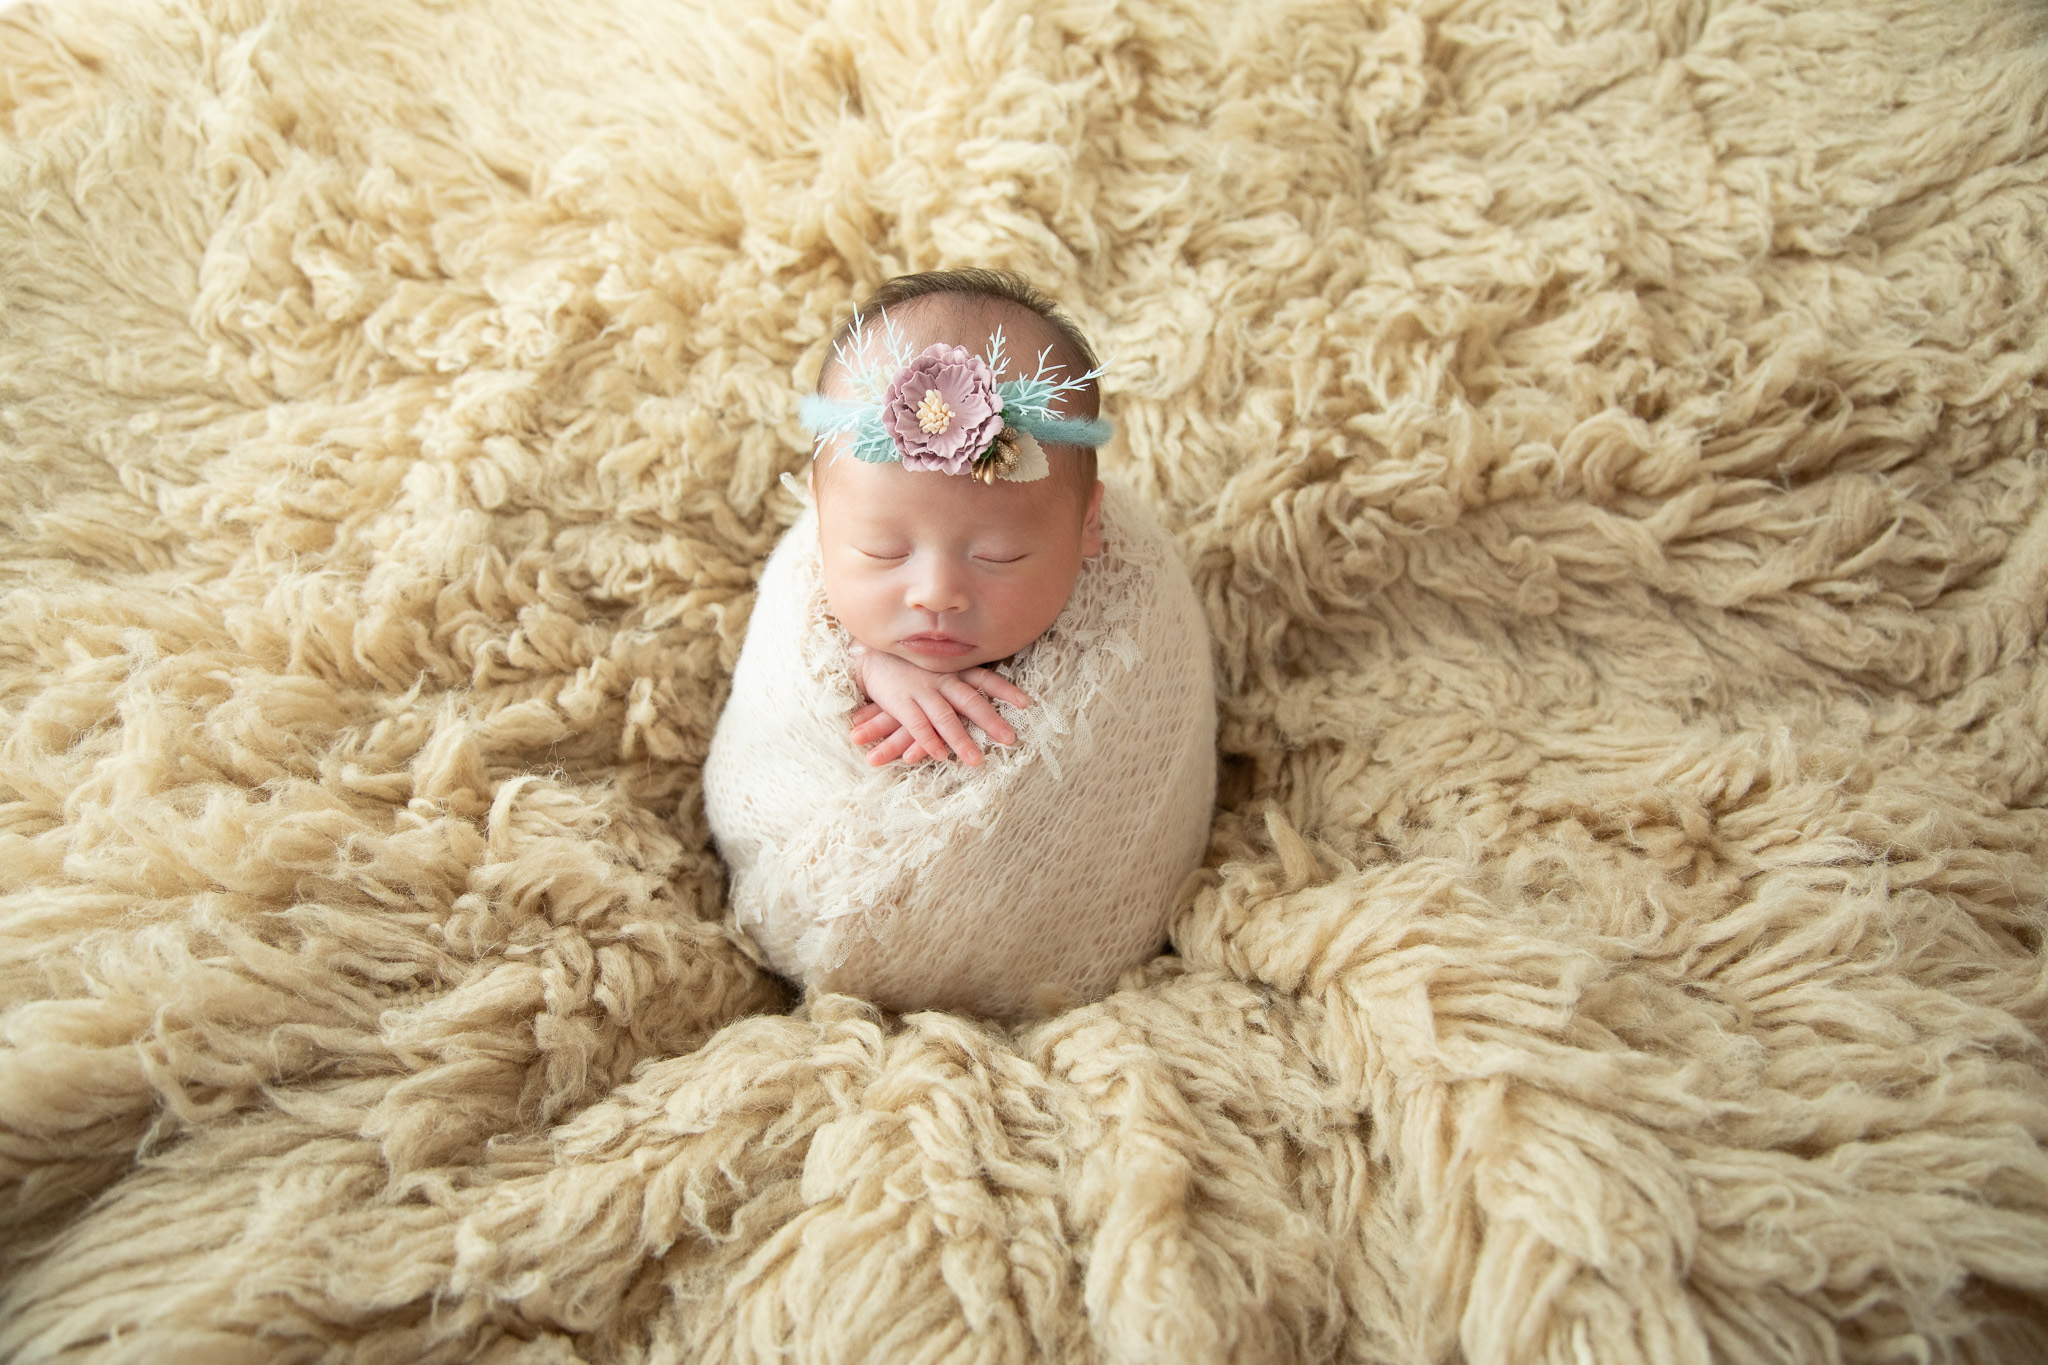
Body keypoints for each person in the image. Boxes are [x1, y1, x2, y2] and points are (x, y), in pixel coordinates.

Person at [702, 270, 1216, 1017]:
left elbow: (1139, 759)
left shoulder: (1129, 608)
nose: (935, 592)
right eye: (882, 551)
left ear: (1087, 526)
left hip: (1043, 940)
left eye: (1000, 556)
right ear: (821, 513)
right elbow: (780, 695)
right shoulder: (809, 569)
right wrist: (863, 664)